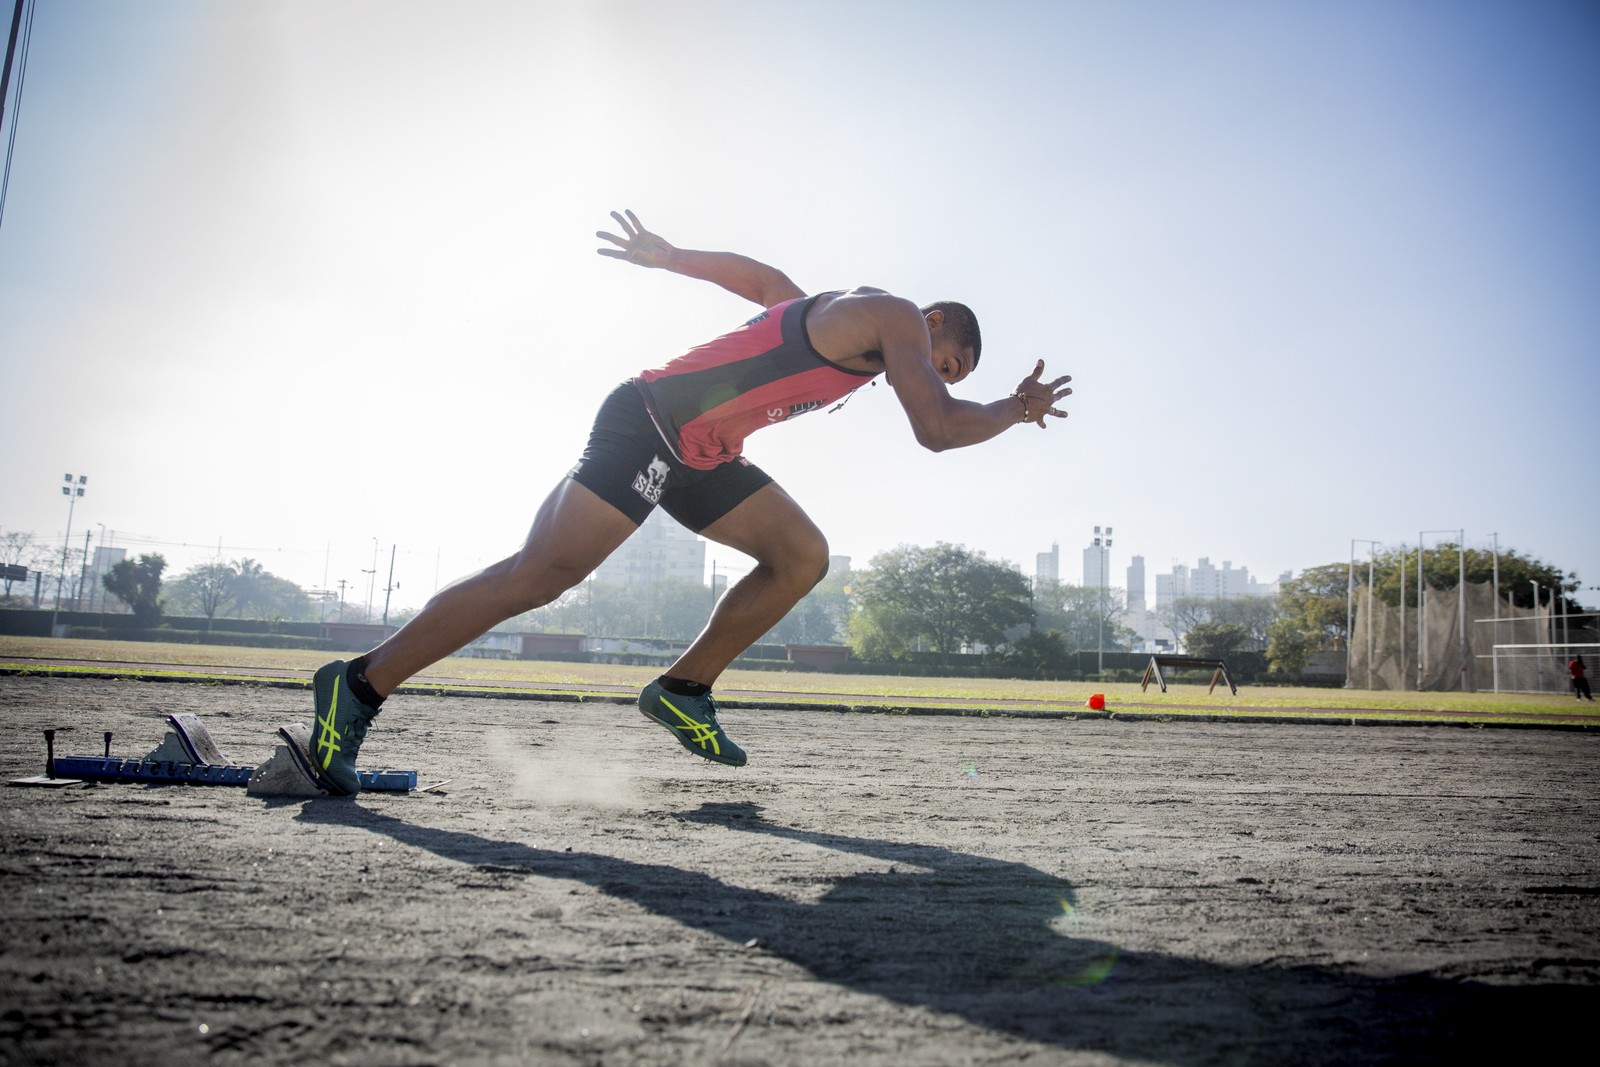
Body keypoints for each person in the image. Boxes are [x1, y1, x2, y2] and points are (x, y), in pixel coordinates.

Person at [302, 209, 1074, 795]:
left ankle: (683, 689)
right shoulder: (897, 314)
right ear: (933, 323)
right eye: (947, 363)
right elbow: (935, 429)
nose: (937, 376)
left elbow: (767, 285)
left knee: (800, 556)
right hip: (651, 422)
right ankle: (360, 684)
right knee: (537, 578)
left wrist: (674, 258)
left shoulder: (839, 322)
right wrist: (1010, 409)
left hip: (704, 455)